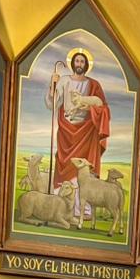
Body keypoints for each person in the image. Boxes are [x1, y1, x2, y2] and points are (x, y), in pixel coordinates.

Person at [47, 48, 110, 192]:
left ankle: (84, 199)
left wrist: (90, 108)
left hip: (86, 133)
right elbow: (53, 103)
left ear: (86, 64)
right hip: (66, 130)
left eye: (82, 61)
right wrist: (53, 85)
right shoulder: (64, 80)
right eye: (77, 61)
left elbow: (104, 108)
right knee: (64, 162)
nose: (79, 64)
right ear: (73, 63)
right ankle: (61, 195)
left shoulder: (94, 84)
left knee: (84, 166)